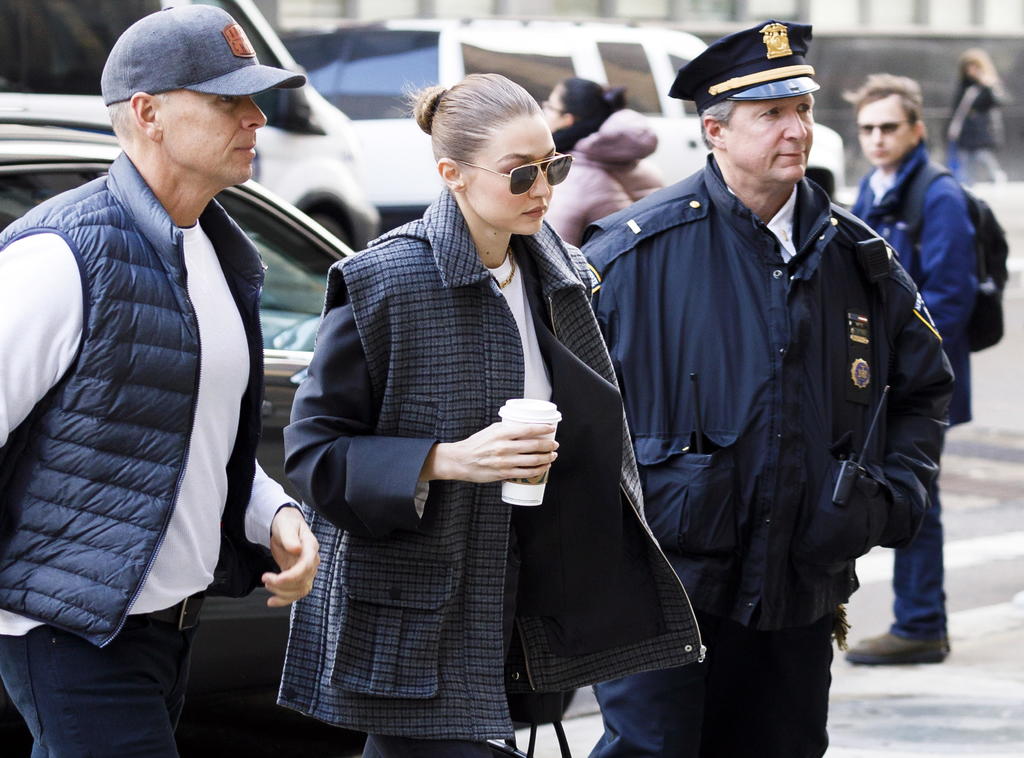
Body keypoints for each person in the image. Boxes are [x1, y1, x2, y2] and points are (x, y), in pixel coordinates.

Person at [277, 73, 702, 756]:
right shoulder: (384, 281)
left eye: (553, 166)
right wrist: (447, 460)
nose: (543, 189)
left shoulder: (562, 272)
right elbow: (313, 456)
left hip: (530, 597)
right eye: (520, 173)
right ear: (452, 174)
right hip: (419, 611)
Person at [582, 20, 955, 758]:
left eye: (803, 109)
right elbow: (571, 412)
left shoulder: (860, 257)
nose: (797, 130)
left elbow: (924, 389)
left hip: (800, 583)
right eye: (772, 114)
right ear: (715, 131)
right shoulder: (630, 253)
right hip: (660, 588)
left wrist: (889, 497)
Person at [0, 6, 320, 756]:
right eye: (227, 100)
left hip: (169, 627)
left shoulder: (217, 250)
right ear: (147, 114)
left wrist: (272, 515)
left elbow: (193, 432)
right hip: (69, 631)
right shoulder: (59, 256)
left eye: (255, 97)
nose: (256, 117)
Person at [843, 74, 976, 665]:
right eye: (867, 128)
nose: (876, 138)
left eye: (889, 127)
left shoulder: (938, 195)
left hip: (920, 383)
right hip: (884, 378)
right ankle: (918, 621)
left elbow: (949, 298)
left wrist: (900, 365)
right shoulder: (874, 187)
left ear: (917, 130)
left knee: (918, 496)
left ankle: (921, 624)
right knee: (895, 490)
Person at [542, 77, 663, 246]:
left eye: (549, 106)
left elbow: (553, 250)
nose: (544, 112)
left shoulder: (574, 178)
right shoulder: (641, 168)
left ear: (567, 119)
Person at [948, 48, 1007, 184]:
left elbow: (999, 101)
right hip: (966, 130)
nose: (971, 71)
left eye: (975, 67)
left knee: (982, 155)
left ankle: (996, 176)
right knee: (965, 158)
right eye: (969, 67)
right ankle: (967, 183)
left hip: (982, 129)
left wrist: (988, 85)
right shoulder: (965, 86)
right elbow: (958, 109)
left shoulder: (989, 84)